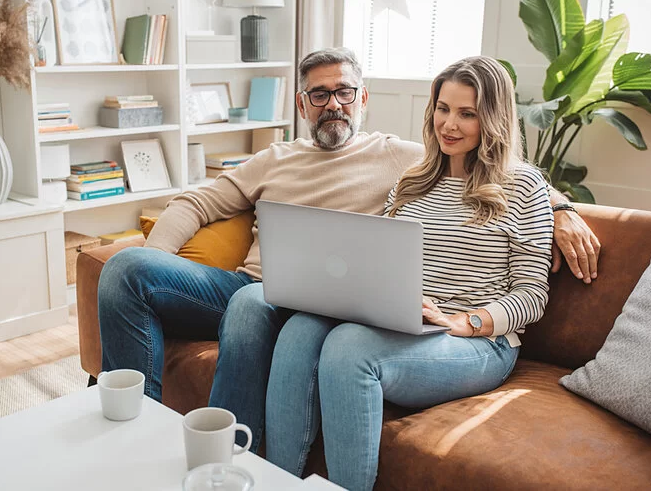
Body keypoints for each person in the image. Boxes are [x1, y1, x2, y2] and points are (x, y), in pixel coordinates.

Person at [97, 48, 598, 448]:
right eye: (319, 94)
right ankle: (138, 427)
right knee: (124, 267)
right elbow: (195, 202)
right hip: (242, 283)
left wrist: (562, 208)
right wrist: (162, 255)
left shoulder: (403, 158)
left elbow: (494, 166)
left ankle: (232, 454)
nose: (333, 103)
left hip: (308, 299)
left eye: (344, 91)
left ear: (363, 99)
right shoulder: (277, 158)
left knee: (254, 306)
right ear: (302, 104)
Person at [260, 56, 552, 490]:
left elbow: (532, 294)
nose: (449, 124)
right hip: (406, 324)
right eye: (443, 108)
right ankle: (275, 480)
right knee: (300, 327)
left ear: (493, 119)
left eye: (467, 113)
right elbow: (384, 262)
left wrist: (465, 322)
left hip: (478, 342)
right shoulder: (412, 181)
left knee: (347, 349)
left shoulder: (524, 187)